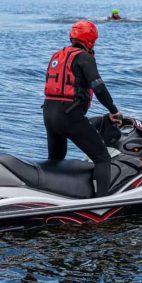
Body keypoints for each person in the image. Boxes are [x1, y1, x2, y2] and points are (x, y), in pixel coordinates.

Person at [43, 20, 123, 198]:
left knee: (55, 160)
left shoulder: (58, 55)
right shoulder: (84, 58)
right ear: (90, 40)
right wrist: (113, 110)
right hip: (68, 115)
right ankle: (102, 204)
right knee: (102, 158)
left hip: (49, 113)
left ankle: (52, 196)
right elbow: (99, 87)